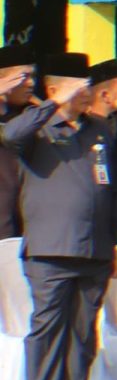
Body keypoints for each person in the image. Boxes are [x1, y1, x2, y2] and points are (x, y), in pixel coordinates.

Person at [3, 53, 117, 380]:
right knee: (47, 331)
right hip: (51, 249)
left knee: (83, 333)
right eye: (78, 88)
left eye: (88, 87)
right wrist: (53, 105)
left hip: (95, 248)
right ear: (54, 89)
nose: (86, 93)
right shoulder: (36, 128)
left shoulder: (99, 129)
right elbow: (10, 136)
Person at [1, 45, 40, 240]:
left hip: (26, 227)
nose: (31, 83)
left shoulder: (30, 116)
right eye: (24, 77)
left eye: (33, 76)